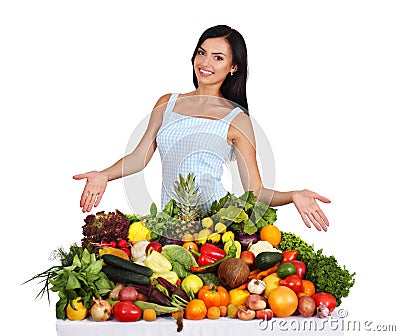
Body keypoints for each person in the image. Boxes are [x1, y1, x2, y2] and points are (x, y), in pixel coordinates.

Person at [73, 25, 330, 231]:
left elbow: (255, 191)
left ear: (233, 67)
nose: (205, 62)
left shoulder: (237, 120)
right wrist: (103, 174)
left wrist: (293, 194)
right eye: (202, 52)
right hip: (171, 223)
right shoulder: (168, 103)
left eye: (218, 57)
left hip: (217, 226)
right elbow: (139, 158)